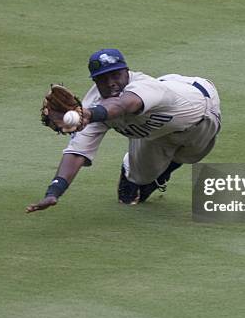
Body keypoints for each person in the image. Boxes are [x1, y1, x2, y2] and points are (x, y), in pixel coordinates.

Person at [26, 49, 221, 213]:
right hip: (155, 131)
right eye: (102, 79)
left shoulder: (145, 86)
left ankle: (165, 169)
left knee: (190, 154)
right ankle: (143, 170)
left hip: (201, 108)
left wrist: (91, 114)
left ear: (127, 72)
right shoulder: (90, 108)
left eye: (116, 75)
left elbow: (125, 104)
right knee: (139, 179)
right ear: (95, 81)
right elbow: (77, 153)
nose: (111, 82)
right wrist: (53, 192)